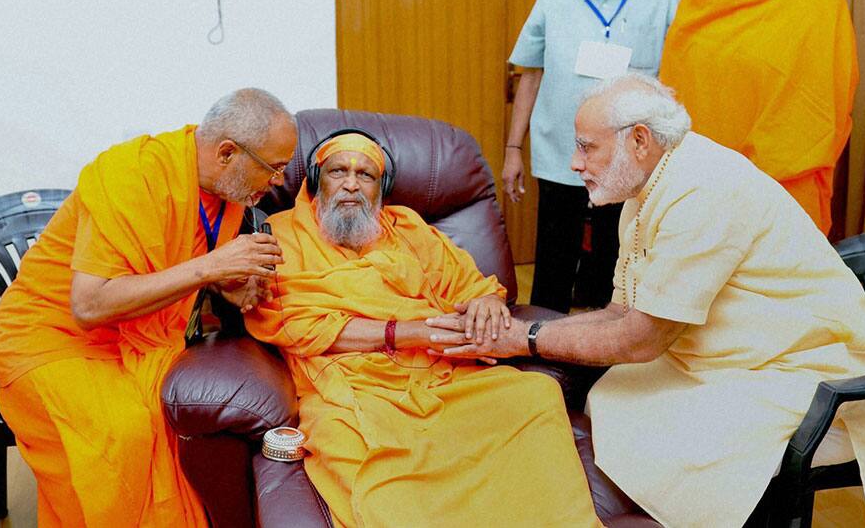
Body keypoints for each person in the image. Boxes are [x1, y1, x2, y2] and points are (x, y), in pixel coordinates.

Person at [430, 73, 865, 527]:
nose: (574, 162)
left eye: (587, 147)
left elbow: (639, 338)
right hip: (725, 354)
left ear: (639, 140)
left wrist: (526, 338)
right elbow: (621, 310)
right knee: (612, 398)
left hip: (806, 374)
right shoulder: (649, 186)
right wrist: (524, 338)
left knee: (670, 435)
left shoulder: (703, 192)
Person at [246, 131, 601, 528]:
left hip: (444, 375)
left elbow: (472, 285)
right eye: (337, 172)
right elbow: (293, 325)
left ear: (381, 189)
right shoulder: (281, 237)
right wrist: (410, 332)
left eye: (365, 175)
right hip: (354, 387)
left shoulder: (408, 228)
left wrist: (487, 303)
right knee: (375, 473)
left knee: (532, 393)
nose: (350, 183)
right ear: (316, 182)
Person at [0, 88, 297, 527]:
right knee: (123, 432)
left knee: (170, 422)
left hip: (139, 338)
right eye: (275, 167)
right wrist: (211, 266)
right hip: (50, 338)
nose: (280, 181)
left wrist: (225, 286)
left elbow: (177, 270)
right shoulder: (132, 173)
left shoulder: (227, 194)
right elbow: (90, 305)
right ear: (228, 152)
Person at [504, 0, 678, 313]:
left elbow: (674, 81)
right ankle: (543, 350)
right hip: (561, 153)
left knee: (612, 262)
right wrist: (513, 148)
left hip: (626, 160)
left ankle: (602, 357)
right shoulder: (552, 0)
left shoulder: (661, 0)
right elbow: (530, 73)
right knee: (553, 265)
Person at [659, 0, 857, 235]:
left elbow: (819, 96)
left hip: (779, 179)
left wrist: (752, 172)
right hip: (702, 175)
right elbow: (677, 84)